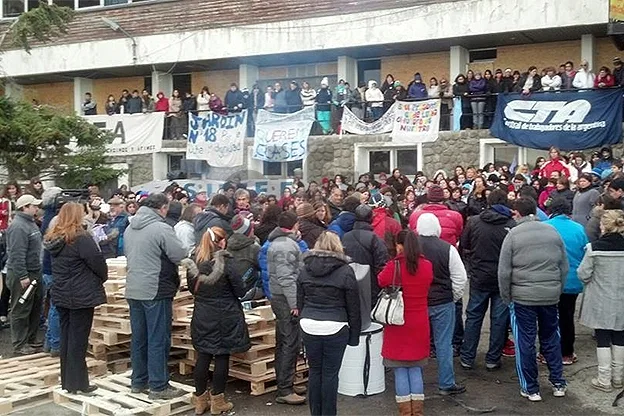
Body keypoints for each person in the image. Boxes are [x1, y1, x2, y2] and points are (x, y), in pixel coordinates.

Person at [498, 197, 568, 402]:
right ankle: (558, 382)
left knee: (525, 342)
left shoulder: (513, 235)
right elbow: (564, 266)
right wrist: (557, 289)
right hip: (550, 295)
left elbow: (504, 271)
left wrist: (506, 296)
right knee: (551, 338)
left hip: (523, 297)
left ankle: (531, 388)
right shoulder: (552, 232)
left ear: (517, 213)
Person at [124, 193, 189, 399]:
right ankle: (159, 386)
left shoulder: (129, 227)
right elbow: (179, 254)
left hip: (134, 288)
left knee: (139, 338)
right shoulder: (161, 228)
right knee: (158, 338)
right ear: (162, 208)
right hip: (156, 288)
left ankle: (138, 381)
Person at [44, 202, 107, 394]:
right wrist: (102, 277)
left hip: (62, 293)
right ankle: (78, 383)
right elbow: (98, 263)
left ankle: (69, 381)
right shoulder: (80, 238)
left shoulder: (55, 238)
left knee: (67, 338)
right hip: (81, 295)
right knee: (78, 340)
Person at [298, 231, 361, 416]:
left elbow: (300, 301)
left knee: (315, 372)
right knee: (331, 374)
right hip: (336, 325)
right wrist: (354, 337)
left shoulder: (304, 269)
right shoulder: (345, 270)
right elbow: (354, 307)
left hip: (309, 323)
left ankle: (315, 413)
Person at [189, 226, 250, 415]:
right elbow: (240, 290)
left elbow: (193, 289)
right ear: (222, 241)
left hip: (202, 313)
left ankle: (200, 400)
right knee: (222, 356)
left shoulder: (195, 261)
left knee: (203, 356)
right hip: (225, 315)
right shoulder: (226, 262)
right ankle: (218, 401)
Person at [379, 230, 433, 416]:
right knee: (416, 368)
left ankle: (404, 413)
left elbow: (381, 280)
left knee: (400, 369)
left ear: (399, 246)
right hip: (419, 322)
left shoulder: (394, 266)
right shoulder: (427, 265)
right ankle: (417, 413)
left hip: (397, 322)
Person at [459, 189, 515, 370]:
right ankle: (493, 358)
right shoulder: (511, 224)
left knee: (474, 317)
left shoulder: (474, 222)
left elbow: (464, 244)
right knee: (499, 319)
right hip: (501, 277)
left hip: (479, 276)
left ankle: (467, 357)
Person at [260, 211, 308, 404]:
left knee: (283, 339)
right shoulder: (286, 246)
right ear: (294, 225)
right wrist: (294, 303)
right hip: (285, 298)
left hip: (279, 296)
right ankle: (285, 389)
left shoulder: (278, 243)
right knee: (290, 342)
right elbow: (286, 277)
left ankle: (284, 382)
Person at [416, 213, 467, 395]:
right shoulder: (448, 248)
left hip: (418, 303)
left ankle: (415, 383)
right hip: (443, 302)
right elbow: (460, 278)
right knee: (444, 343)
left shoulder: (411, 248)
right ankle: (446, 383)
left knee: (418, 343)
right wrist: (452, 297)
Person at [577, 210, 624, 392]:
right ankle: (618, 377)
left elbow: (583, 273)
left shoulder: (594, 248)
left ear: (603, 226)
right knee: (620, 336)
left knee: (603, 338)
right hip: (622, 298)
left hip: (601, 299)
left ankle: (604, 378)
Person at [544, 198, 588, 365]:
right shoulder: (579, 228)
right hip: (572, 280)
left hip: (551, 278)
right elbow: (585, 251)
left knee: (548, 317)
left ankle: (546, 352)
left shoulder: (546, 226)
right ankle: (567, 353)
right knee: (567, 316)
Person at [6, 194, 43, 355]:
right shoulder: (18, 226)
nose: (37, 208)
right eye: (33, 206)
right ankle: (20, 344)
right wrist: (22, 276)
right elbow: (16, 254)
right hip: (23, 273)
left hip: (34, 271)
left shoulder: (30, 223)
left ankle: (31, 339)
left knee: (34, 306)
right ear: (24, 207)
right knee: (21, 309)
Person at [342, 204, 389, 304]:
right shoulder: (375, 239)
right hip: (370, 287)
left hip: (348, 283)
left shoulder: (345, 237)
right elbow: (381, 265)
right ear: (370, 218)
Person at [227, 214, 262, 301]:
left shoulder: (229, 246)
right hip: (250, 291)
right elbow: (265, 268)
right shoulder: (254, 249)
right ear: (248, 232)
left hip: (233, 292)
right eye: (252, 228)